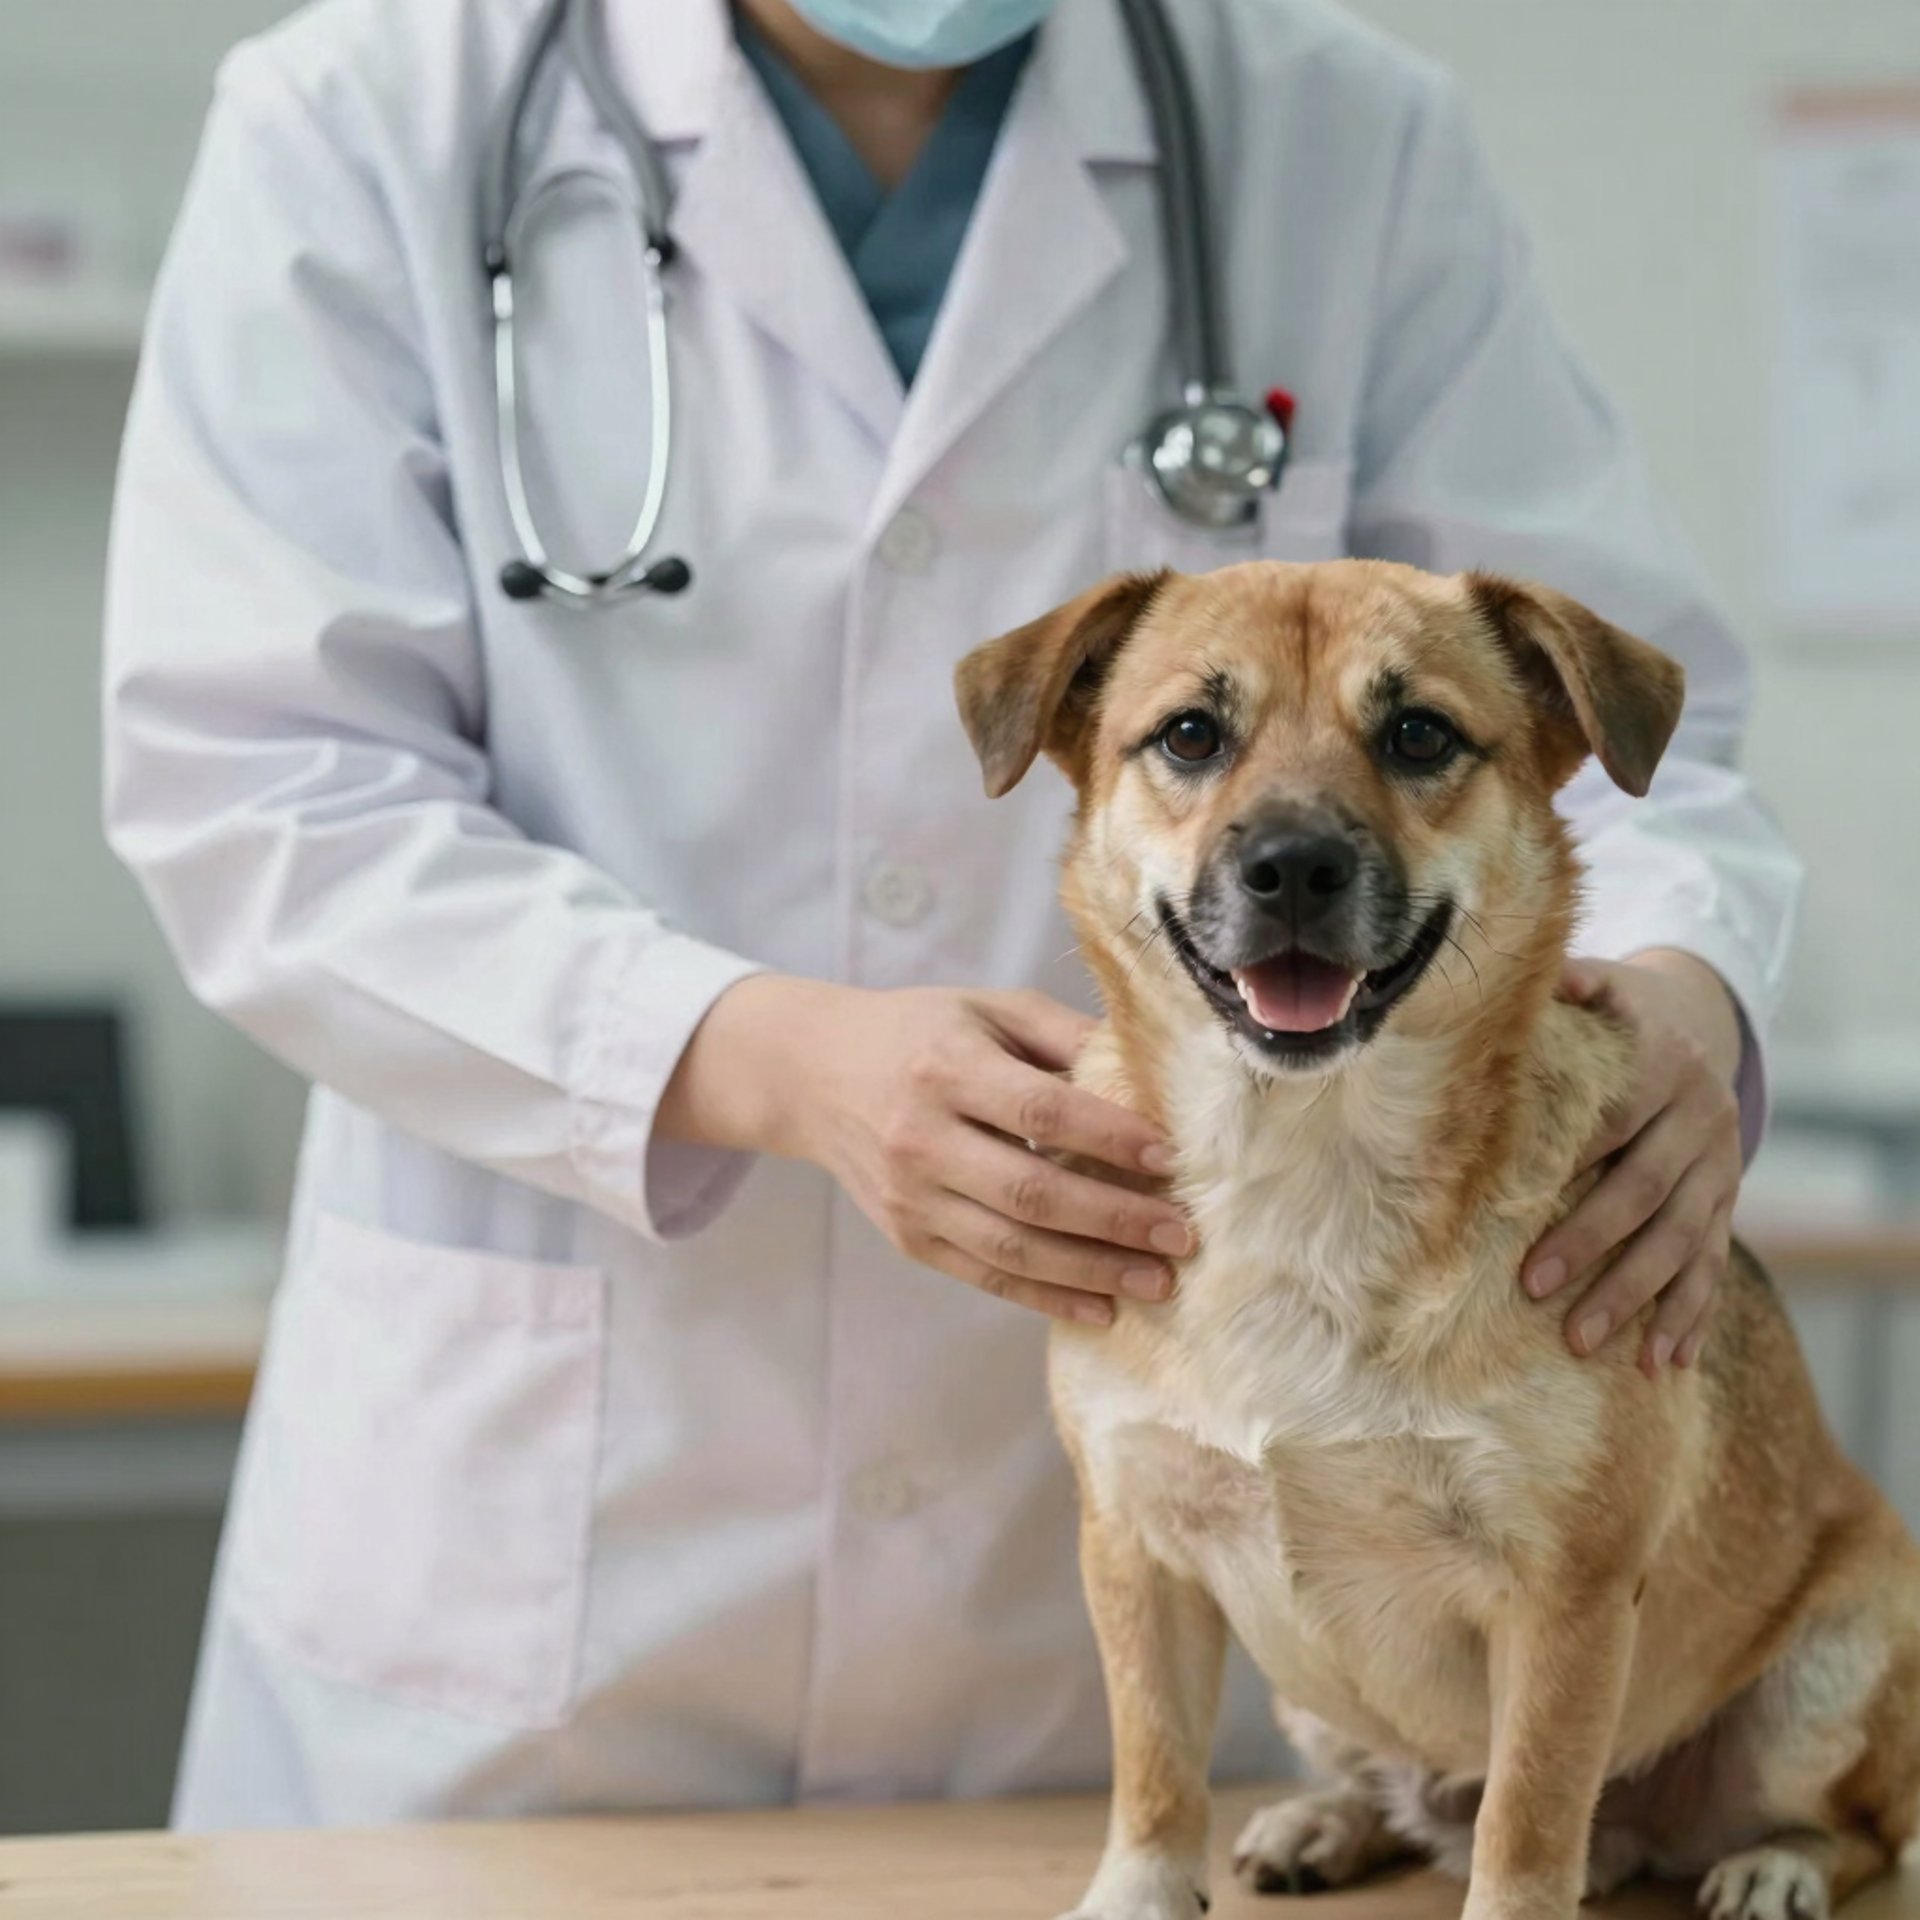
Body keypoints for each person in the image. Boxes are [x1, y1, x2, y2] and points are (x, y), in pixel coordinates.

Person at [104, 0, 1798, 1830]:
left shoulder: (1333, 131)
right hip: (552, 1602)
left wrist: (1683, 1006)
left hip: (1223, 1607)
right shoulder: (362, 112)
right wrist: (753, 1056)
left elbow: (1637, 740)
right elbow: (259, 785)